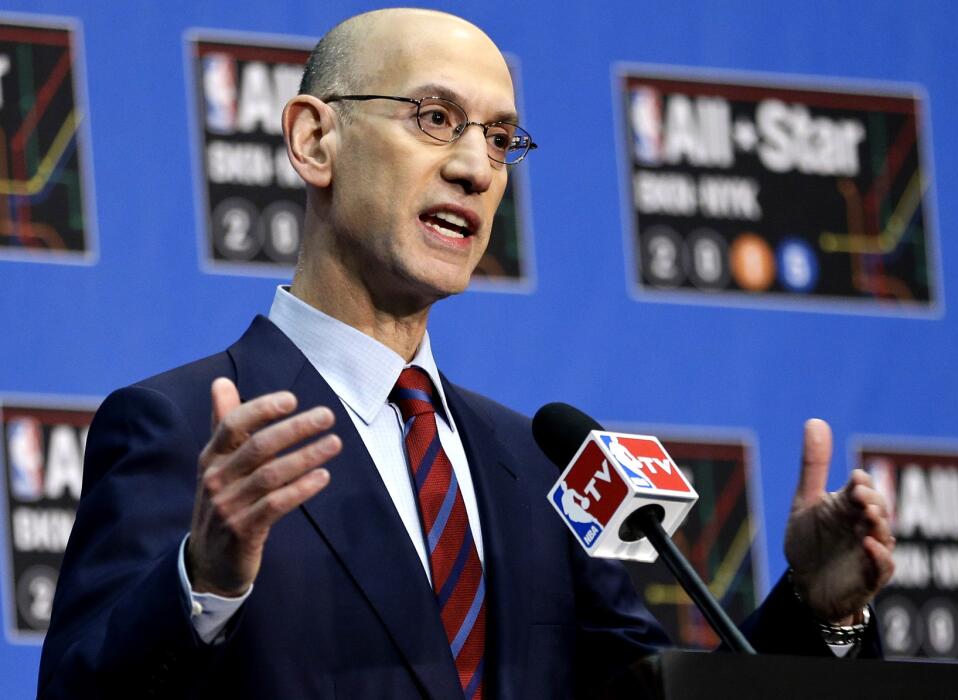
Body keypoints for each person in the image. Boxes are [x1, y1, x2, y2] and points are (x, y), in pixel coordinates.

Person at [37, 8, 895, 699]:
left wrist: (819, 621)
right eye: (435, 118)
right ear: (313, 140)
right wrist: (206, 582)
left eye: (499, 138)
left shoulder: (535, 464)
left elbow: (652, 692)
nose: (477, 169)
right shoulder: (182, 427)